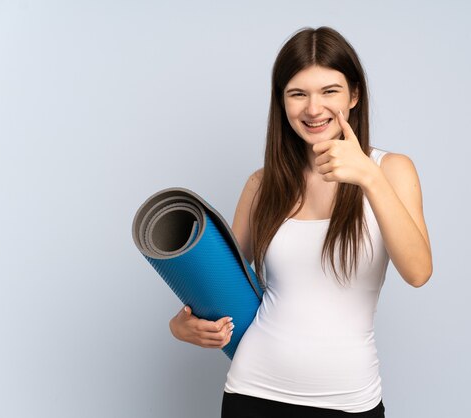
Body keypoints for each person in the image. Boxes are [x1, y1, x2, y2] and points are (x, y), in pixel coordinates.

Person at [169, 26, 433, 417]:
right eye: (298, 94)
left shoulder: (390, 170)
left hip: (348, 400)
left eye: (329, 91)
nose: (313, 109)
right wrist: (181, 326)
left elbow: (418, 271)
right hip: (252, 391)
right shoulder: (261, 185)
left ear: (354, 95)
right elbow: (218, 279)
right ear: (281, 101)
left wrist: (368, 177)